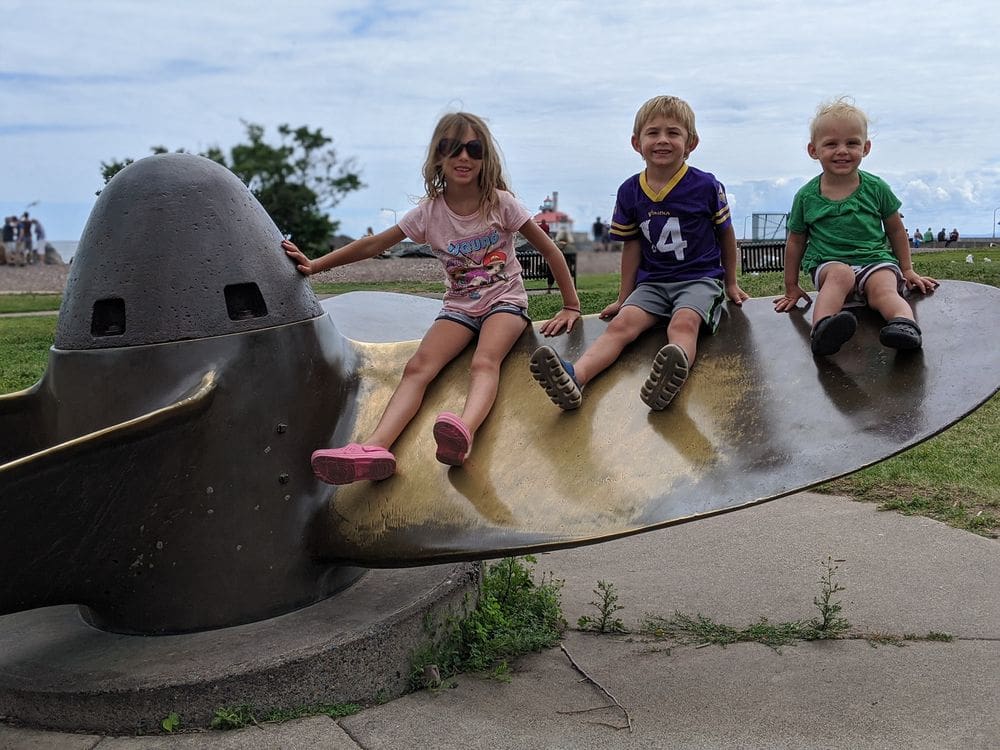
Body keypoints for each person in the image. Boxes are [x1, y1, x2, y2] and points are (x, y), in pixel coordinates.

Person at [282, 112, 581, 484]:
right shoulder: (429, 213)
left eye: (474, 149)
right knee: (417, 368)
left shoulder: (500, 204)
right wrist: (315, 265)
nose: (463, 157)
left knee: (484, 362)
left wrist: (571, 304)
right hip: (459, 307)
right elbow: (374, 244)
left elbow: (551, 251)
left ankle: (464, 431)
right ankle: (375, 448)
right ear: (438, 157)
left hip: (505, 301)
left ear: (486, 158)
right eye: (451, 148)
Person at [529, 95, 748, 412]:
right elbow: (631, 245)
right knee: (621, 326)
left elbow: (725, 233)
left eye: (673, 132)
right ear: (636, 142)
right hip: (653, 283)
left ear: (691, 143)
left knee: (683, 324)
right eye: (653, 132)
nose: (662, 140)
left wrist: (730, 283)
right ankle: (577, 376)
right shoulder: (630, 191)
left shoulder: (705, 185)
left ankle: (673, 372)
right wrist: (624, 296)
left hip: (699, 280)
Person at [773, 98, 938, 354]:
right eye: (831, 144)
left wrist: (907, 269)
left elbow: (895, 229)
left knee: (884, 287)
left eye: (852, 143)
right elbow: (796, 240)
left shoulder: (877, 188)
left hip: (874, 260)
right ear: (813, 150)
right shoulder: (806, 197)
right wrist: (791, 286)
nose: (842, 150)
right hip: (830, 265)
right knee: (841, 275)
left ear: (866, 147)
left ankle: (904, 326)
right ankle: (823, 329)